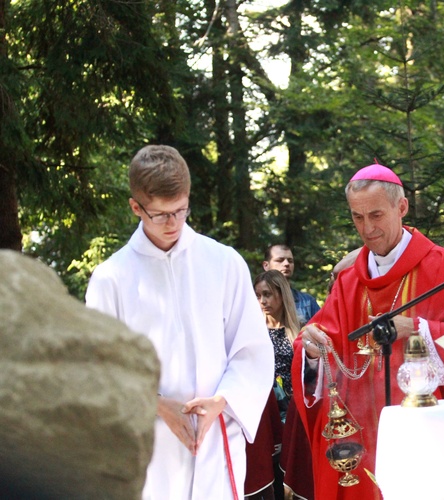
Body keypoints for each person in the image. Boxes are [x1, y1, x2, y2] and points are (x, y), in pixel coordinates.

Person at [291, 163, 444, 500]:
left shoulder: (443, 267)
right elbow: (317, 344)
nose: (367, 229)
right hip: (363, 440)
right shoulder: (348, 282)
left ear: (401, 207)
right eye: (358, 217)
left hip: (427, 435)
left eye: (376, 215)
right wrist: (311, 351)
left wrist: (418, 329)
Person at [85, 145, 274, 499]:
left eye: (181, 211)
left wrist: (223, 400)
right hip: (149, 444)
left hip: (215, 437)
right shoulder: (111, 278)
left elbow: (251, 350)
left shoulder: (223, 263)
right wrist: (155, 404)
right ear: (136, 207)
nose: (172, 224)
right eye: (160, 215)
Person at [251, 270, 302, 499]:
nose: (262, 301)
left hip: (292, 413)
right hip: (261, 413)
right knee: (264, 478)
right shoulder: (251, 332)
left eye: (268, 294)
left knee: (289, 478)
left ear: (282, 295)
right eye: (258, 295)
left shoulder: (298, 332)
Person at [263, 244, 321, 325]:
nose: (286, 264)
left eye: (290, 261)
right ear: (266, 265)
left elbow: (323, 330)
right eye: (280, 260)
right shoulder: (254, 302)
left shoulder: (307, 302)